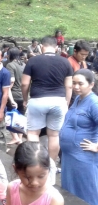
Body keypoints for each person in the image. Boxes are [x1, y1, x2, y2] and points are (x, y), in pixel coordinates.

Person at [21, 36, 73, 177]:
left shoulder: (33, 61)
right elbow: (68, 85)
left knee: (32, 133)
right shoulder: (65, 62)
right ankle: (51, 166)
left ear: (42, 47)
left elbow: (25, 83)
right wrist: (66, 103)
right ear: (56, 47)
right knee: (54, 135)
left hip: (38, 99)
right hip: (58, 100)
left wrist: (25, 100)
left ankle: (34, 165)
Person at [60, 69, 98, 205]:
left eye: (80, 84)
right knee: (71, 190)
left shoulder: (94, 103)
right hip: (69, 156)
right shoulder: (78, 99)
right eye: (74, 83)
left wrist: (96, 146)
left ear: (91, 84)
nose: (76, 87)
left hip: (83, 157)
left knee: (87, 192)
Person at [6, 47, 26, 145]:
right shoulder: (24, 65)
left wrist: (7, 92)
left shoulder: (10, 65)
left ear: (10, 55)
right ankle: (20, 138)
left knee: (10, 117)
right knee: (21, 117)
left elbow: (11, 81)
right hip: (24, 95)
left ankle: (15, 137)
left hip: (13, 95)